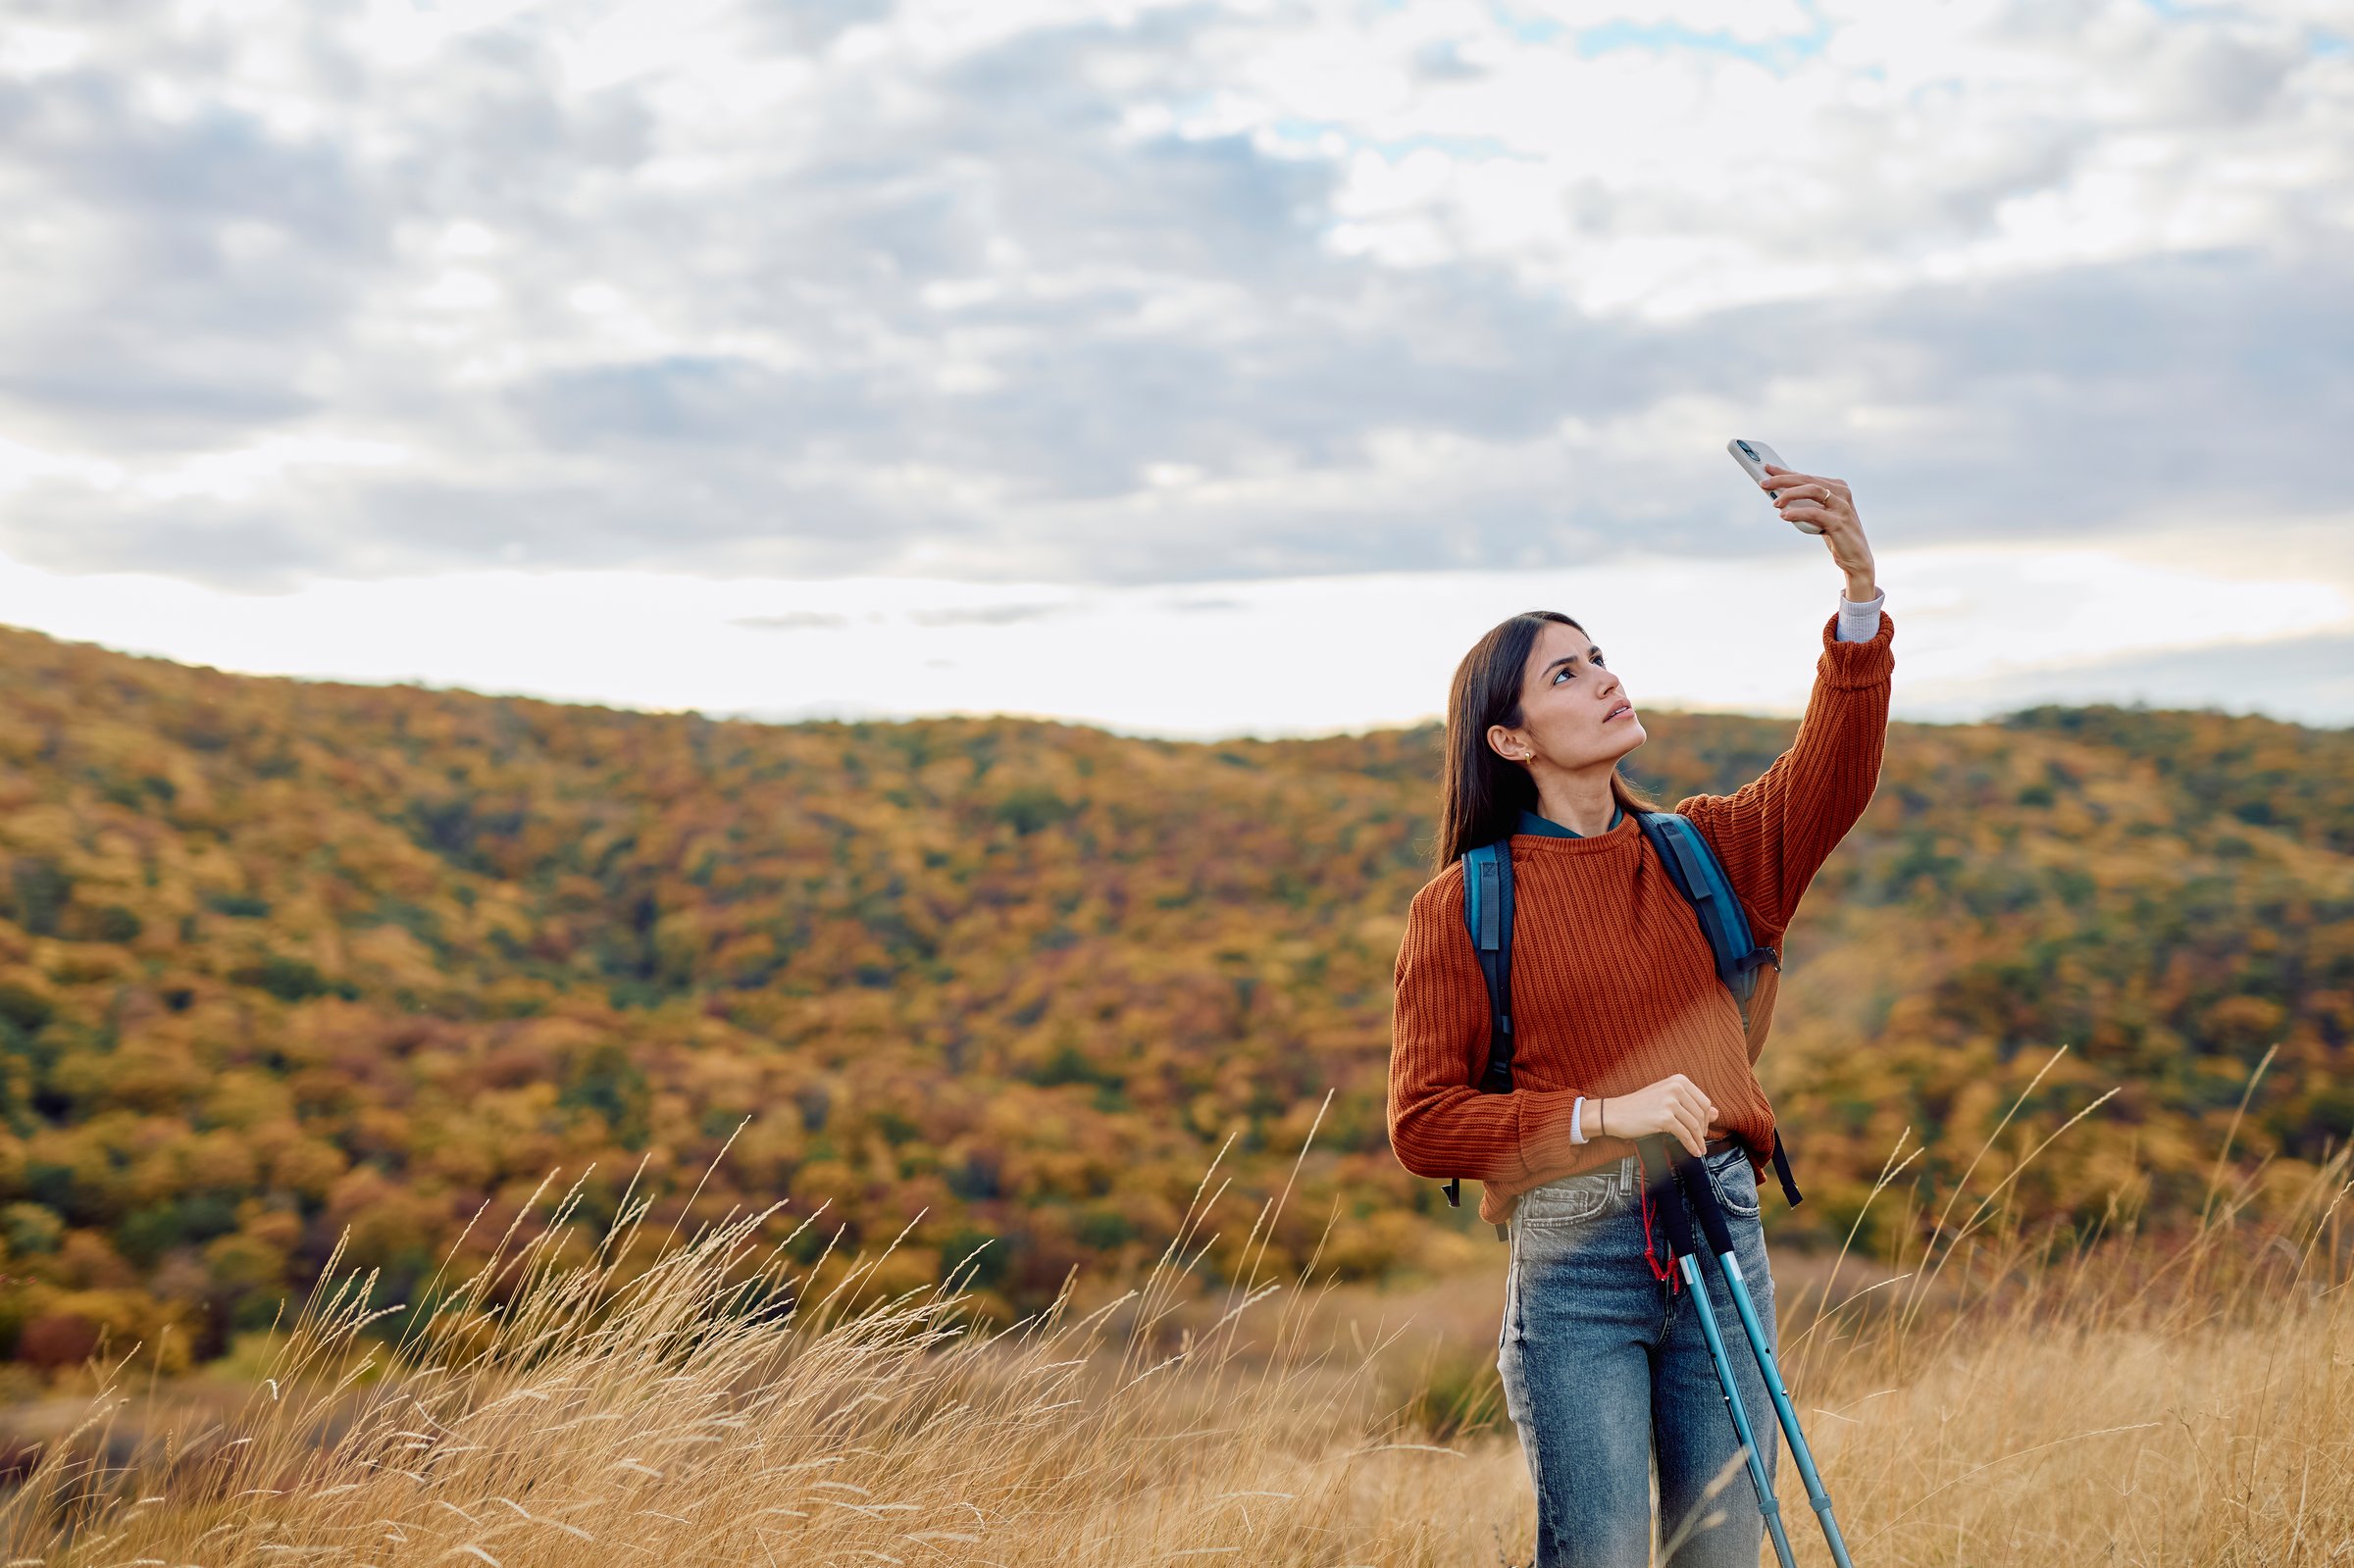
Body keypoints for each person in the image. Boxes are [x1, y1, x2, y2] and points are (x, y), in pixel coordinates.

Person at [1386, 465, 1893, 1567]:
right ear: (1510, 741)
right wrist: (1601, 1116)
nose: (1605, 680)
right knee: (1602, 1555)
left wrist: (1858, 585)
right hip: (1573, 1265)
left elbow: (1834, 777)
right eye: (1565, 674)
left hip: (1719, 1225)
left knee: (1719, 1553)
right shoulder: (1463, 907)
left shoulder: (1705, 851)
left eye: (1599, 656)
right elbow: (1424, 1124)